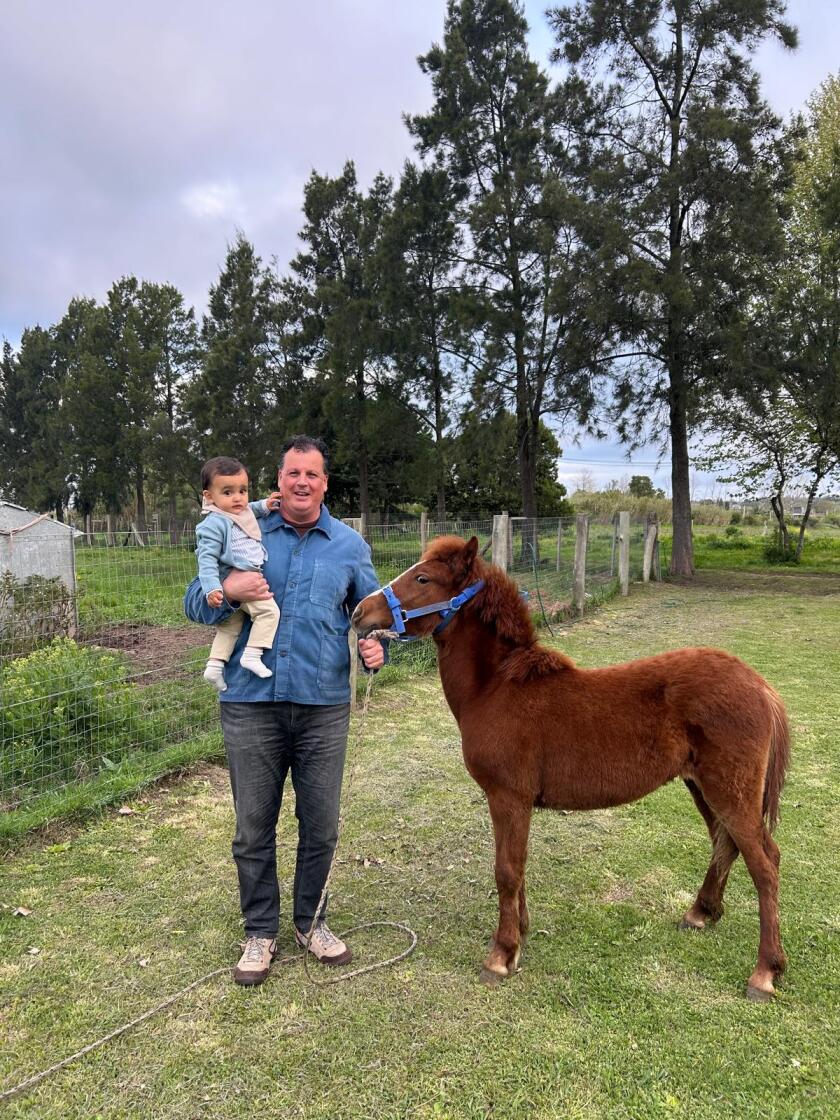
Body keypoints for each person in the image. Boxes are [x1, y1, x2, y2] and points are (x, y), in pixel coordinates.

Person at [184, 435, 385, 986]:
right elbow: (192, 603)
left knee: (319, 825)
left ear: (325, 483)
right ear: (279, 479)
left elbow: (371, 614)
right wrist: (227, 584)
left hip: (323, 706)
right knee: (253, 828)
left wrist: (377, 647)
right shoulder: (239, 526)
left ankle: (311, 922)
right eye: (293, 472)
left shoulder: (348, 545)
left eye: (312, 474)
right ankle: (260, 931)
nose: (302, 482)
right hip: (250, 705)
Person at [196, 456, 281, 691]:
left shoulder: (237, 510)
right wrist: (213, 588)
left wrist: (264, 505)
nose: (238, 498)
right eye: (228, 492)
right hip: (241, 578)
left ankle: (214, 666)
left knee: (229, 627)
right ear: (209, 496)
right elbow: (206, 559)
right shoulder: (214, 523)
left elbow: (248, 510)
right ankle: (252, 655)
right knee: (269, 613)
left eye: (242, 491)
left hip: (243, 577)